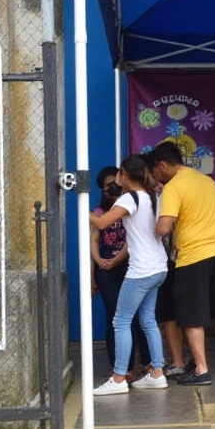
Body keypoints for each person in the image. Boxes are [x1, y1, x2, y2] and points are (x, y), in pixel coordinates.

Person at [148, 141, 215, 384]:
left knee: (192, 315)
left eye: (156, 173)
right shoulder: (208, 181)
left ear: (163, 165)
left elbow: (163, 226)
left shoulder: (174, 187)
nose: (157, 178)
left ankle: (201, 369)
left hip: (193, 256)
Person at [87, 155, 170, 395]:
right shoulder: (152, 196)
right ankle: (157, 373)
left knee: (120, 320)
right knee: (148, 320)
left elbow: (102, 224)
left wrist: (83, 209)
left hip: (141, 270)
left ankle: (119, 377)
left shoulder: (129, 198)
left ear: (124, 174)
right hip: (158, 267)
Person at [89, 167, 148, 378]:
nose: (113, 189)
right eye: (108, 187)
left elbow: (132, 241)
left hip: (130, 266)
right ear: (102, 190)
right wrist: (98, 266)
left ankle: (147, 363)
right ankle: (122, 367)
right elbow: (94, 240)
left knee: (139, 316)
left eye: (115, 183)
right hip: (107, 270)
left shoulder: (130, 205)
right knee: (115, 316)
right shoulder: (99, 213)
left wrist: (115, 260)